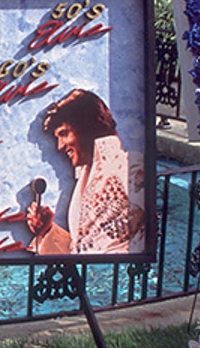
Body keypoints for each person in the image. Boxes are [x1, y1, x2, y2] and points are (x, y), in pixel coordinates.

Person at [24, 89, 147, 256]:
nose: (60, 146)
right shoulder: (86, 176)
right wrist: (47, 230)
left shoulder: (133, 169)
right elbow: (83, 249)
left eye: (64, 134)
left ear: (85, 127)